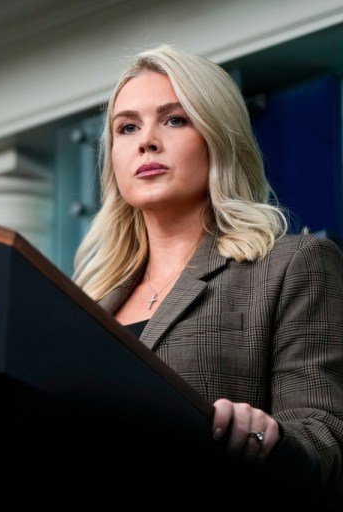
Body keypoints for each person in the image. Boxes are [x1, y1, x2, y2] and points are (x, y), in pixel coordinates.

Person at [72, 44, 343, 506]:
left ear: (219, 136)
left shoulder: (292, 265)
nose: (146, 141)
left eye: (175, 119)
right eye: (127, 127)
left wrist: (269, 439)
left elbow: (327, 443)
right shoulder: (83, 307)